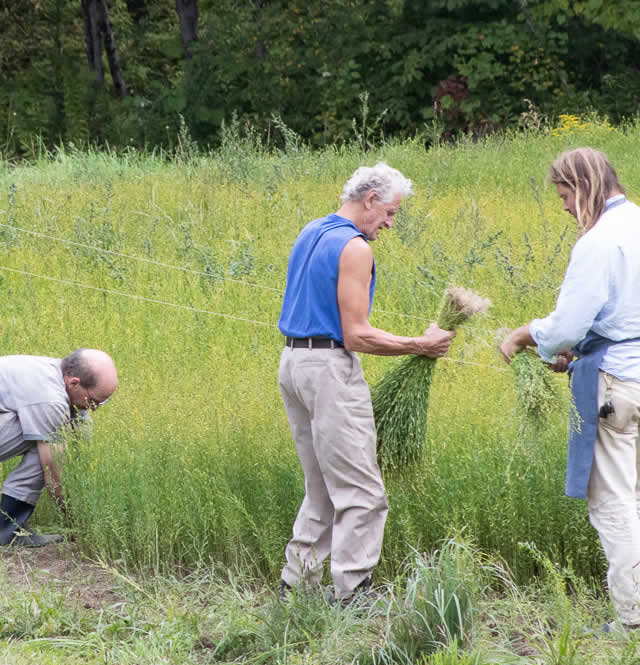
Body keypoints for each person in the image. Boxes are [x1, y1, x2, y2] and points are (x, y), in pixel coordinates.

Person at [277, 162, 456, 603]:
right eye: (391, 213)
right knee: (362, 491)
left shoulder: (311, 231)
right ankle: (353, 594)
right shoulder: (355, 248)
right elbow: (356, 334)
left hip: (292, 364)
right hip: (329, 371)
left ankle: (296, 587)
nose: (390, 224)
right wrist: (421, 344)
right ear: (370, 198)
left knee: (320, 485)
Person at [499, 147, 640, 632]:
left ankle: (633, 622)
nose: (562, 207)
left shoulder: (598, 242)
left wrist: (524, 336)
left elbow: (565, 327)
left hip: (616, 384)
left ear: (583, 186)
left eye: (564, 195)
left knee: (616, 503)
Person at [0, 348, 118, 547]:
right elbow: (54, 475)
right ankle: (8, 529)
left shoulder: (58, 374)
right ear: (74, 383)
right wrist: (74, 521)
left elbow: (82, 434)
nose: (95, 408)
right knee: (47, 440)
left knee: (55, 430)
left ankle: (7, 526)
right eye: (96, 402)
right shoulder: (50, 399)